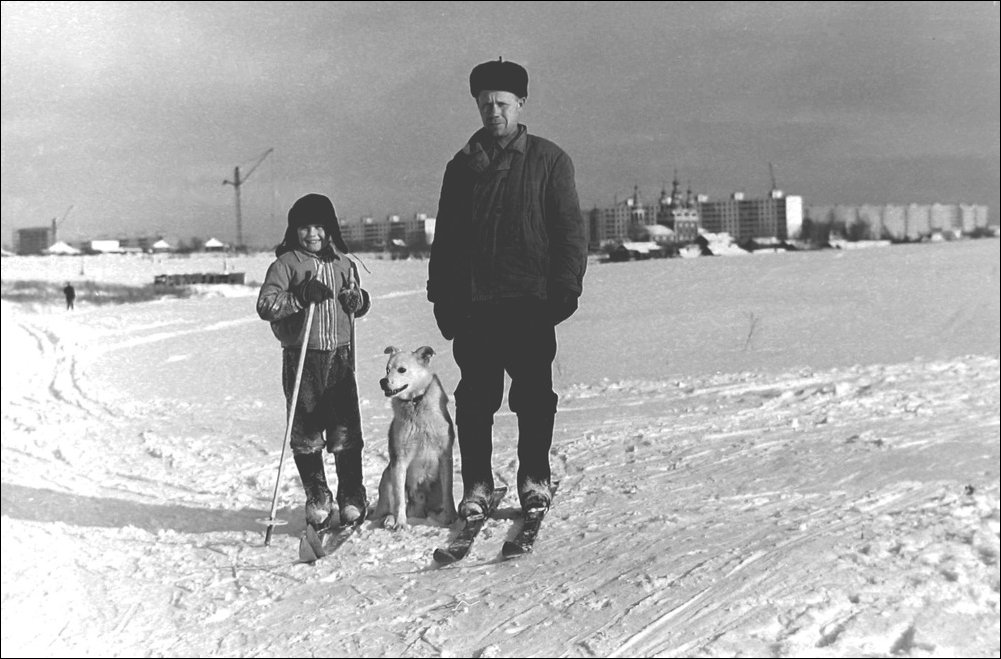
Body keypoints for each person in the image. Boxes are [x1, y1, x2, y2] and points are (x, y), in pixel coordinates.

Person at [427, 58, 587, 518]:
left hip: (530, 302)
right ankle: (477, 485)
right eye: (484, 104)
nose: (492, 112)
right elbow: (447, 239)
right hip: (475, 306)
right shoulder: (460, 168)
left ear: (520, 104)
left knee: (534, 398)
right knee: (475, 402)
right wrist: (442, 296)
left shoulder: (549, 160)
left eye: (500, 103)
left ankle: (534, 479)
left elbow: (570, 232)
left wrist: (565, 288)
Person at [257, 193, 372, 531]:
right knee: (306, 429)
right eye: (305, 227)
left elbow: (359, 301)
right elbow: (266, 306)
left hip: (339, 355)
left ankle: (352, 494)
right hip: (302, 357)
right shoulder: (286, 264)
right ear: (294, 230)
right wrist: (299, 296)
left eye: (319, 227)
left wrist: (358, 301)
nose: (312, 234)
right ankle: (318, 496)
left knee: (345, 428)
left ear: (330, 228)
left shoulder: (344, 264)